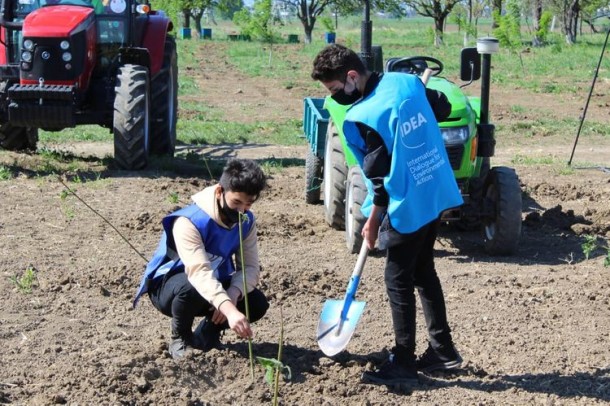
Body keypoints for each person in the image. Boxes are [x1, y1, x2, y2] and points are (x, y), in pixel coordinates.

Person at [311, 44, 464, 386]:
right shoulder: (406, 83)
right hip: (434, 189)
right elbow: (441, 107)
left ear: (352, 77)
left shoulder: (366, 116)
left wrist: (373, 220)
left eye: (336, 90)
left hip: (406, 202)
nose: (336, 98)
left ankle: (404, 361)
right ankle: (443, 351)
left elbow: (379, 182)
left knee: (397, 280)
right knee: (423, 271)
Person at [133, 158, 269, 359]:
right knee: (191, 287)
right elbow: (199, 273)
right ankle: (181, 339)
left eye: (248, 204)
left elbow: (250, 267)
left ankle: (208, 334)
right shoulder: (189, 222)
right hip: (171, 287)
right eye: (236, 202)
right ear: (219, 192)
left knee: (256, 303)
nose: (242, 211)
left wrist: (233, 292)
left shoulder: (246, 221)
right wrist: (229, 310)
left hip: (211, 285)